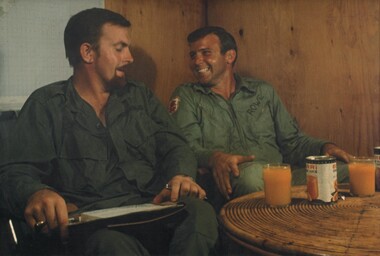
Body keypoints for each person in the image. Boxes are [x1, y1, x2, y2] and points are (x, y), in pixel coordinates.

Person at [0, 8, 218, 255]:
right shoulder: (46, 105)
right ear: (88, 52)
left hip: (152, 209)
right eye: (120, 48)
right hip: (94, 225)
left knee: (201, 213)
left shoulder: (140, 96)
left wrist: (181, 175)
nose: (130, 57)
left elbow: (175, 145)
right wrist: (36, 193)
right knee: (111, 245)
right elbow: (15, 172)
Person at [169, 26, 352, 211]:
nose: (197, 61)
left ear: (229, 56)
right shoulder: (187, 96)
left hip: (282, 176)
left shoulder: (262, 91)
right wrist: (214, 158)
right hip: (233, 180)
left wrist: (324, 147)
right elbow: (184, 148)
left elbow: (293, 141)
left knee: (348, 170)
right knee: (253, 176)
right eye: (193, 55)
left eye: (205, 53)